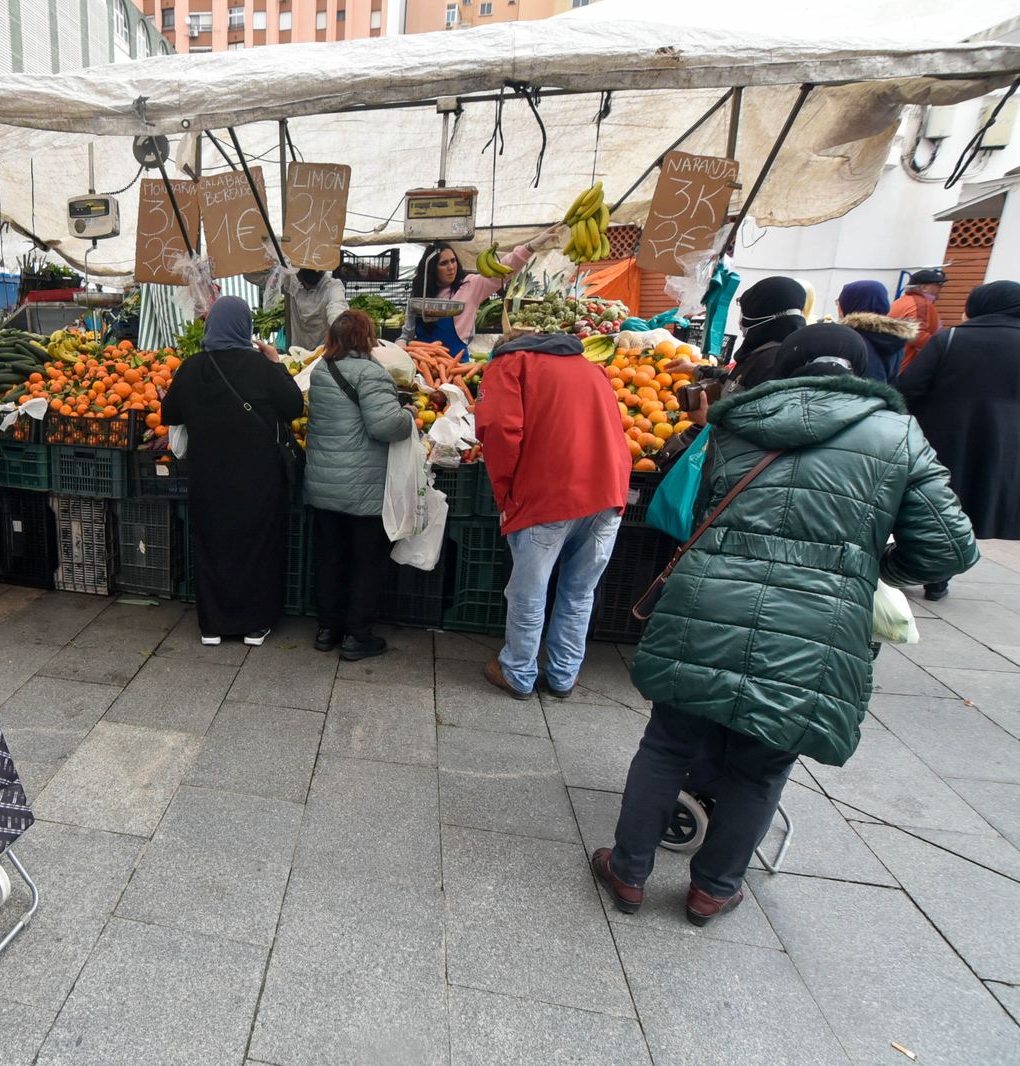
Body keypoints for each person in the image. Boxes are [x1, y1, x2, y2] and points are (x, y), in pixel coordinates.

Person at [591, 323, 978, 927]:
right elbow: (948, 549)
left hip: (710, 600)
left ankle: (628, 871)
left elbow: (703, 509)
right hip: (818, 621)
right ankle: (713, 889)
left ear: (784, 368)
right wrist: (874, 565)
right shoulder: (898, 433)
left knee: (668, 744)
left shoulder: (734, 421)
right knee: (762, 764)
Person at [476, 332, 630, 699]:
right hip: (607, 491)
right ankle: (563, 675)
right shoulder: (591, 368)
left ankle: (518, 671)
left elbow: (498, 430)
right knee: (579, 591)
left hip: (548, 493)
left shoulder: (508, 364)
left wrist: (505, 494)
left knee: (529, 592)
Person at [162, 295, 303, 647]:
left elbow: (170, 413)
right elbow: (293, 406)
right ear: (245, 326)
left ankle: (212, 626)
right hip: (258, 477)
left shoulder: (191, 368)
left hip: (208, 476)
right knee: (257, 546)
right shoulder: (260, 367)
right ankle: (254, 625)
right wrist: (277, 363)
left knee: (212, 546)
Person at [897, 280, 1020, 601]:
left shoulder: (951, 339)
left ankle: (914, 565)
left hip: (944, 438)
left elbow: (909, 388)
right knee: (972, 505)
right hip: (1005, 446)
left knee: (931, 502)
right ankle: (941, 574)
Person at [303, 309, 415, 660]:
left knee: (330, 558)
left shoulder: (321, 370)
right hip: (363, 488)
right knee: (366, 562)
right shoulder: (371, 373)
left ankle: (327, 629)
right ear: (366, 337)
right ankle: (357, 635)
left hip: (324, 485)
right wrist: (408, 415)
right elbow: (385, 426)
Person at [398, 234, 555, 358]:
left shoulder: (470, 285)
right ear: (432, 269)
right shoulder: (420, 293)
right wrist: (400, 345)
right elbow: (407, 335)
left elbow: (504, 268)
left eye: (453, 261)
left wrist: (530, 247)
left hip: (456, 365)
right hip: (422, 362)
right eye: (444, 263)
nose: (451, 267)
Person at [838, 279, 917, 382]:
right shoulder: (893, 337)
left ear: (851, 304)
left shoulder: (851, 339)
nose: (838, 308)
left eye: (839, 302)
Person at [891, 267, 946, 371]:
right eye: (938, 284)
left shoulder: (900, 301)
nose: (941, 288)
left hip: (896, 363)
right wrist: (943, 345)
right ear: (924, 287)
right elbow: (918, 335)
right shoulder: (920, 304)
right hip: (909, 366)